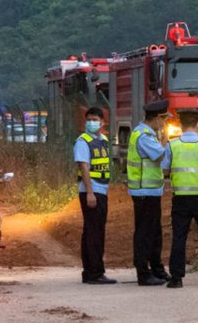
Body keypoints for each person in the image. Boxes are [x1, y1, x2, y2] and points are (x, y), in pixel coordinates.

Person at [162, 109, 198, 288]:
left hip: (181, 198)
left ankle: (177, 278)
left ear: (180, 125)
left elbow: (165, 171)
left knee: (179, 236)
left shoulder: (172, 145)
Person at [127, 100, 171, 286]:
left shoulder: (149, 134)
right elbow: (160, 156)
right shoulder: (144, 135)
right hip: (144, 191)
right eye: (164, 119)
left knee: (154, 231)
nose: (165, 123)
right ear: (156, 118)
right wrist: (168, 144)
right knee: (145, 232)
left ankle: (156, 268)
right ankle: (143, 273)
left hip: (151, 190)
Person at [75, 107, 116, 285]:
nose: (91, 122)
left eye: (95, 119)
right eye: (89, 119)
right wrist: (90, 193)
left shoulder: (103, 140)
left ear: (102, 122)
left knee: (94, 231)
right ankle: (94, 272)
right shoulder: (83, 141)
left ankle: (91, 271)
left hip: (101, 189)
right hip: (91, 191)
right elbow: (84, 167)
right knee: (94, 232)